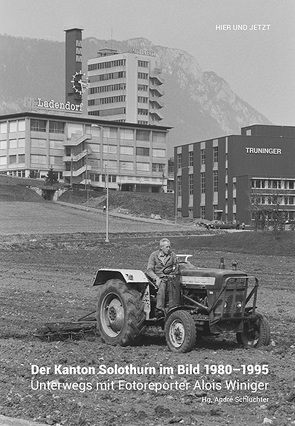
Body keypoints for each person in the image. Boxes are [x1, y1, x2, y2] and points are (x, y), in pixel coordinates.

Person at [146, 238, 178, 317]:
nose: (169, 249)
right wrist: (156, 278)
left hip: (170, 277)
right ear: (161, 247)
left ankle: (175, 307)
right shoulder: (154, 255)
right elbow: (149, 270)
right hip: (159, 277)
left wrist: (174, 273)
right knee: (162, 286)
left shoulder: (172, 255)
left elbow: (177, 265)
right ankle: (159, 309)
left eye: (169, 247)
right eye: (167, 247)